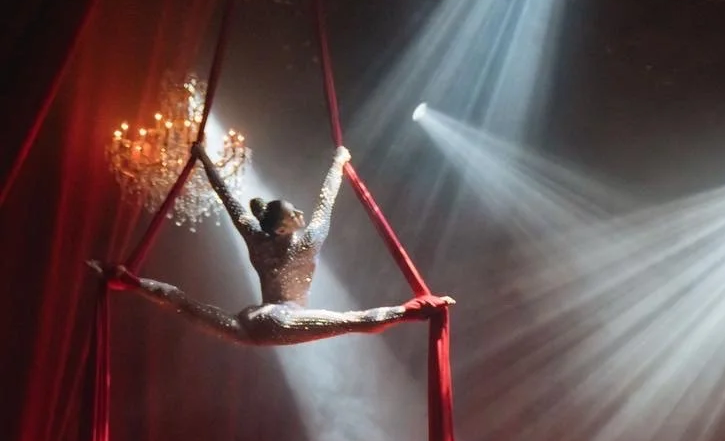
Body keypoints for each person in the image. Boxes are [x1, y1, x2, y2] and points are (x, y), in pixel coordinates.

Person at [91, 141, 454, 344]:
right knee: (352, 321)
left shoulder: (255, 235)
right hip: (283, 319)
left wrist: (203, 159)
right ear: (281, 229)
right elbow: (327, 197)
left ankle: (130, 281)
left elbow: (227, 195)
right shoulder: (309, 239)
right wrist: (339, 160)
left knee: (187, 306)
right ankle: (416, 310)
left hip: (255, 317)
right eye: (293, 213)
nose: (300, 212)